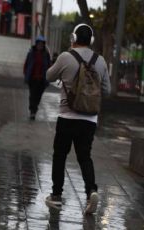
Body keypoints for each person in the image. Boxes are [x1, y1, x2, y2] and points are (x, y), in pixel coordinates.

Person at [44, 24, 111, 214]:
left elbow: (49, 76)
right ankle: (91, 191)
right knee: (84, 157)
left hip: (67, 116)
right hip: (89, 119)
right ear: (91, 41)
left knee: (60, 155)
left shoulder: (66, 57)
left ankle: (56, 196)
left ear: (73, 37)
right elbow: (106, 90)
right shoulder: (101, 61)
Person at [23, 35, 51, 120]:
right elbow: (26, 64)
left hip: (42, 80)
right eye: (39, 44)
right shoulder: (31, 53)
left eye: (42, 44)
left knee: (38, 96)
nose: (40, 46)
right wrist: (26, 74)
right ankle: (32, 111)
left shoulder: (46, 55)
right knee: (32, 95)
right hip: (33, 79)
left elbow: (49, 66)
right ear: (36, 44)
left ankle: (34, 109)